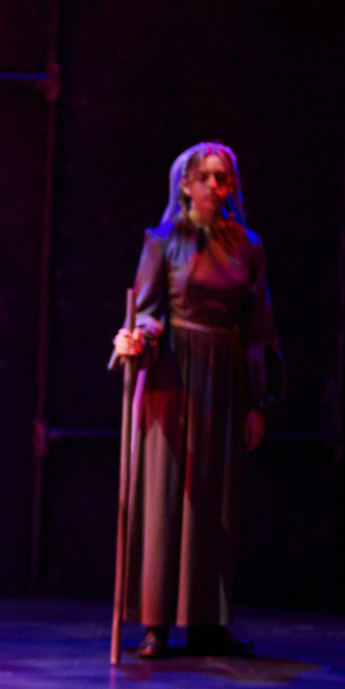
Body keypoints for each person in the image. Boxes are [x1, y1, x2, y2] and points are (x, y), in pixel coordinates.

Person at [112, 141, 282, 659]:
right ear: (185, 184)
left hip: (224, 381)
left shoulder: (248, 246)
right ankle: (156, 623)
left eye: (223, 178)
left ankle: (208, 623)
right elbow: (146, 310)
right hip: (171, 377)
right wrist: (137, 338)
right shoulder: (162, 241)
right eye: (205, 177)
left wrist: (256, 402)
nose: (215, 185)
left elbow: (257, 331)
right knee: (166, 495)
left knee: (217, 501)